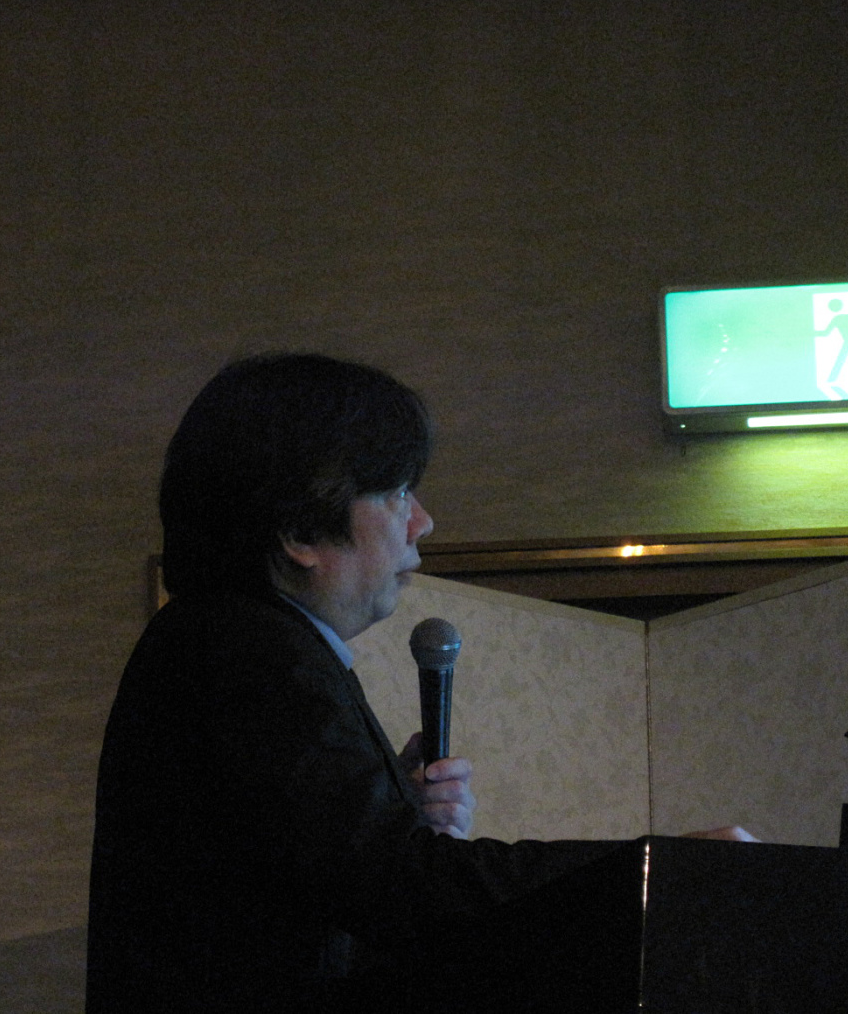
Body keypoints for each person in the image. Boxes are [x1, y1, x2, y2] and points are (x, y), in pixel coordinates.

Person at [86, 353, 751, 1013]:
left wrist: (390, 809)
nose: (422, 521)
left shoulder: (227, 640)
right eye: (397, 492)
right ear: (300, 530)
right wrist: (656, 872)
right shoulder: (250, 651)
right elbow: (400, 890)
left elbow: (315, 887)